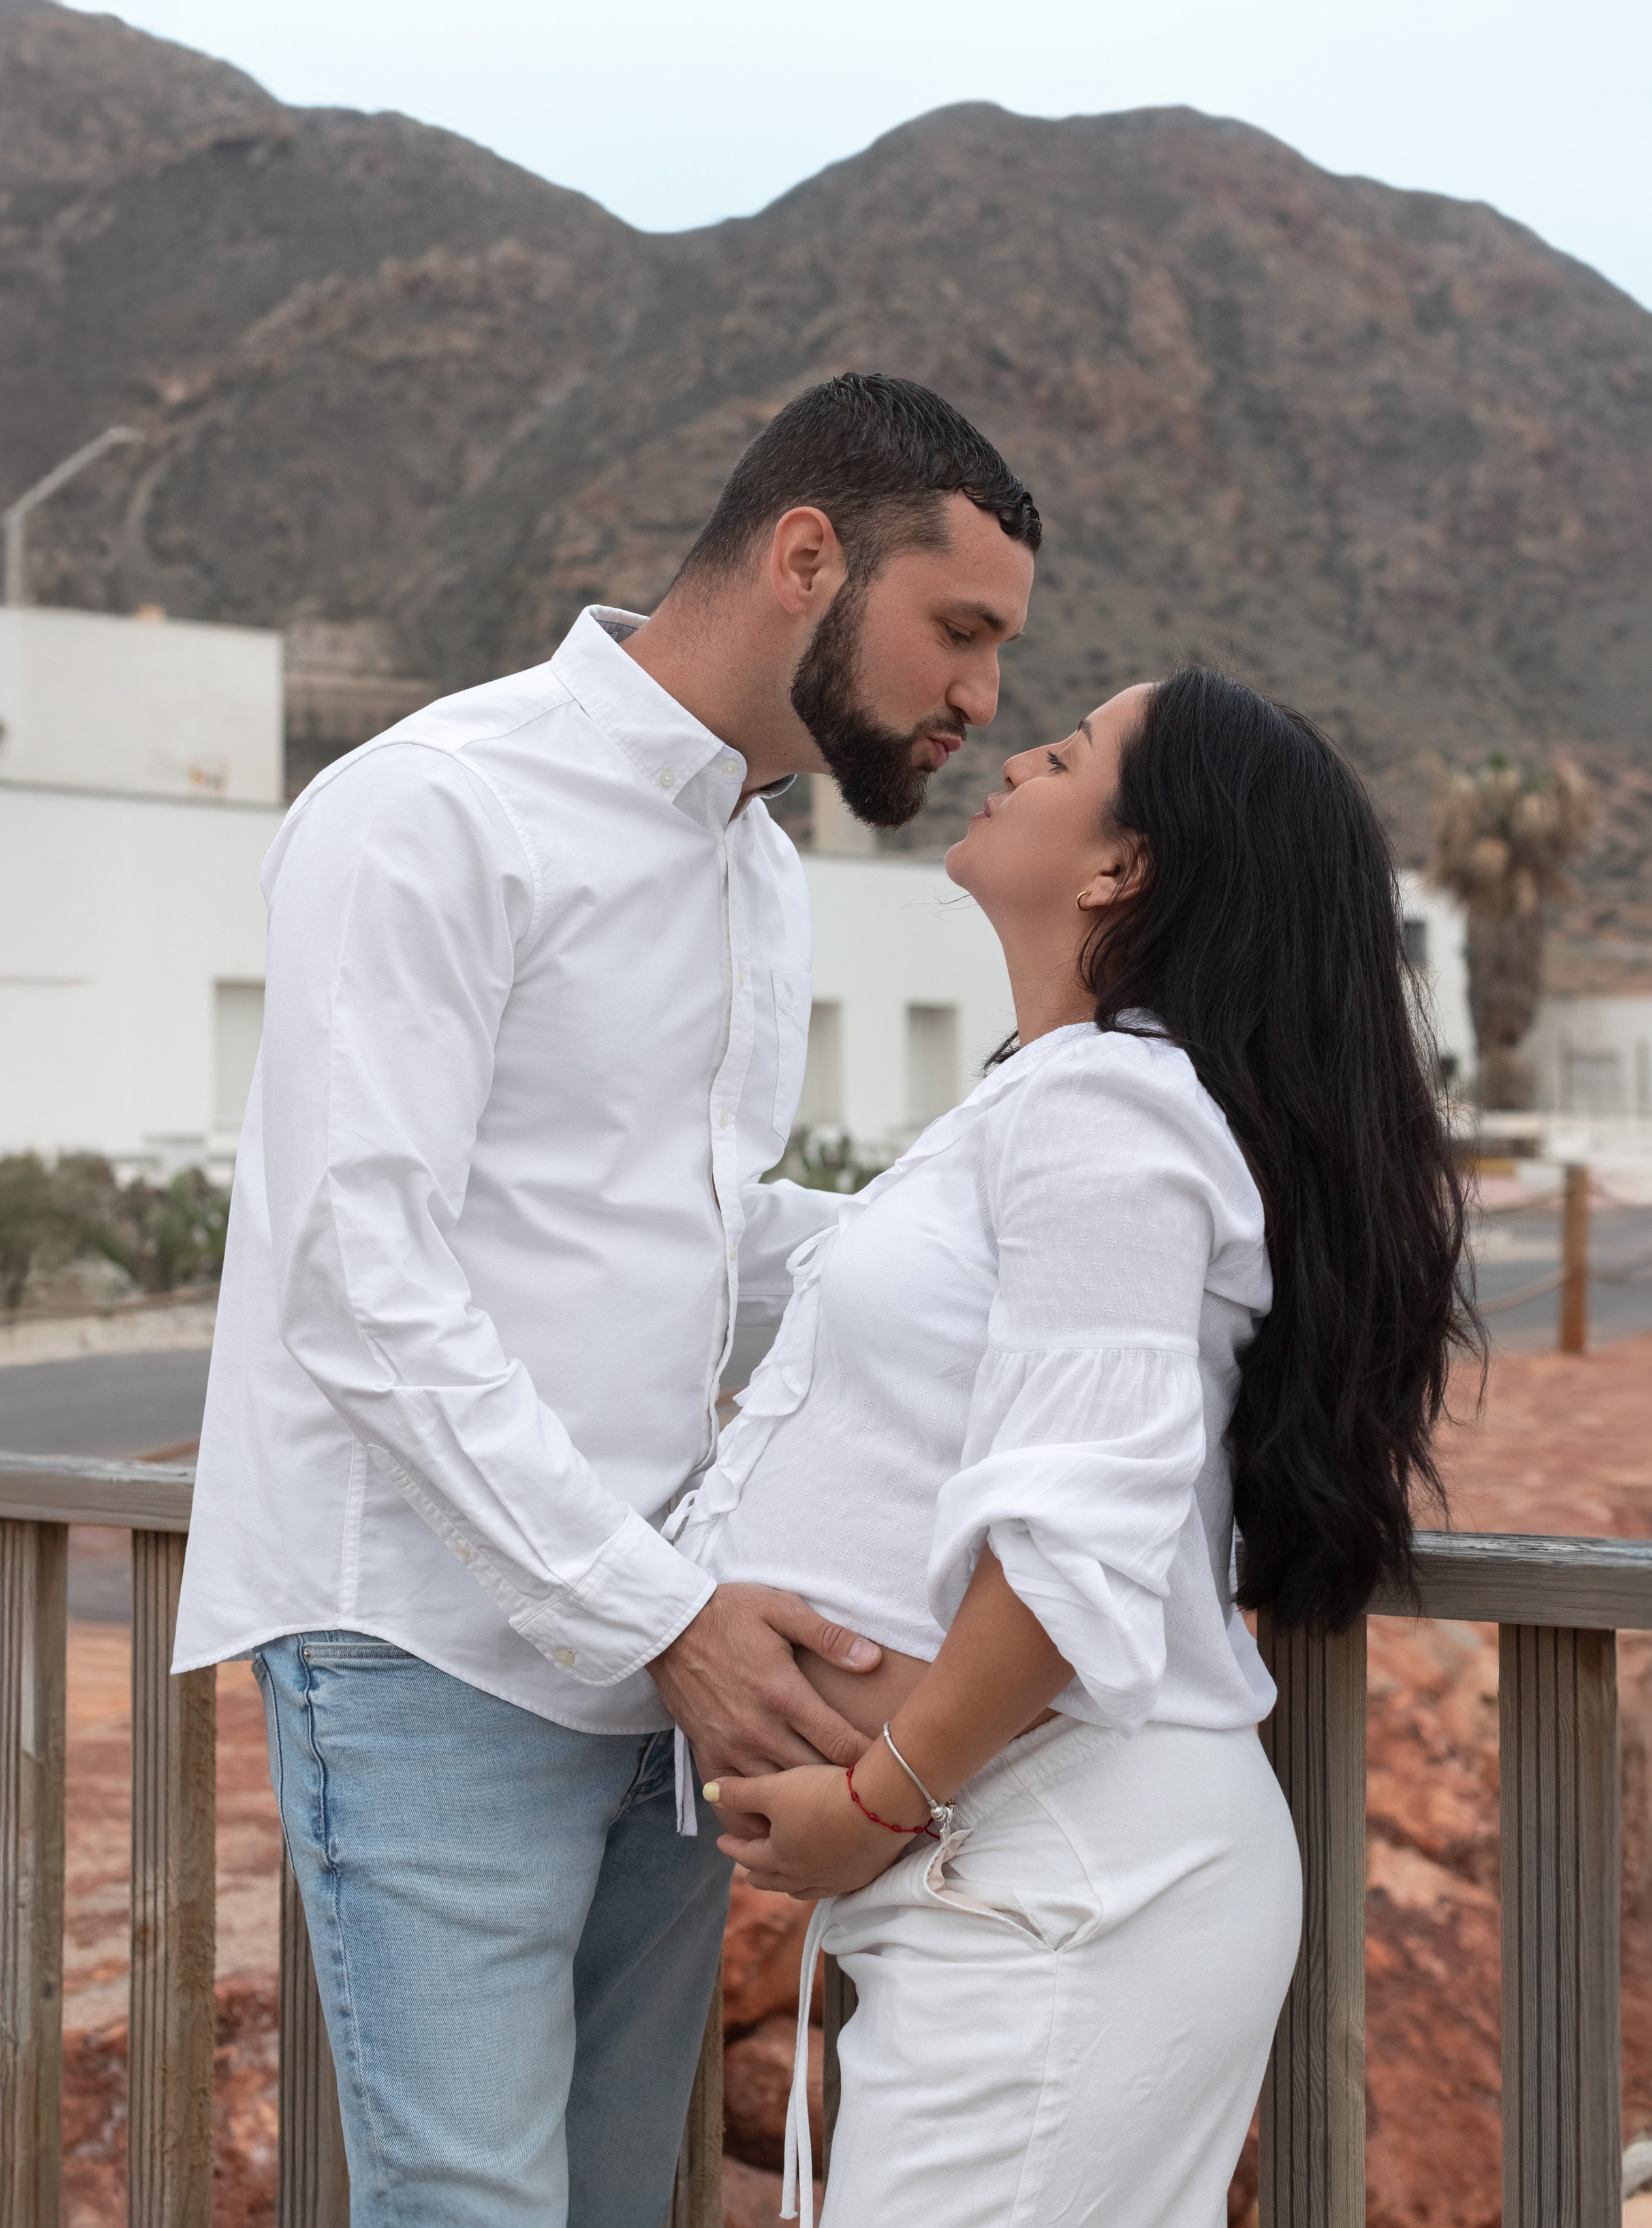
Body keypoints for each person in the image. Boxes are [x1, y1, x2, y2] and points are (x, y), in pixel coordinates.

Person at [170, 373, 1039, 2225]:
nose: (982, 699)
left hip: (662, 1672)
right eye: (958, 629)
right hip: (431, 1646)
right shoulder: (434, 805)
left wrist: (1027, 1254)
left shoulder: (758, 868)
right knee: (474, 2203)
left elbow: (702, 1241)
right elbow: (358, 1275)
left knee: (607, 2198)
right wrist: (662, 1615)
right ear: (808, 556)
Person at [681, 667, 1475, 2227]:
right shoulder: (1048, 1100)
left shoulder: (1109, 1111)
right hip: (1022, 1881)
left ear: (1124, 867)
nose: (1010, 757)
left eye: (1061, 754)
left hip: (1051, 1885)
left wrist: (883, 1796)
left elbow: (1072, 1541)